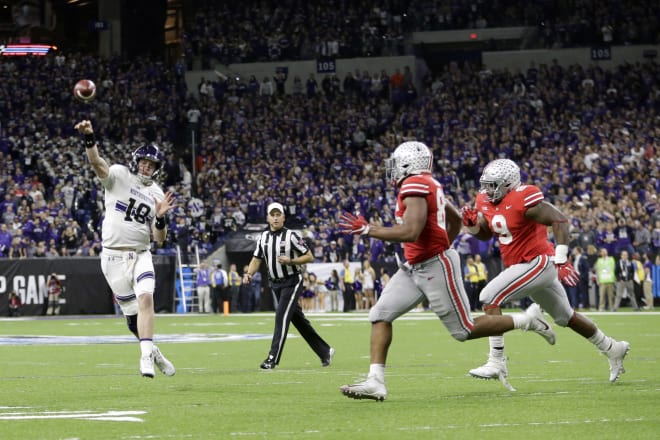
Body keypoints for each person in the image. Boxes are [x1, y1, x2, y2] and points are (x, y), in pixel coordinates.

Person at [337, 142, 555, 401]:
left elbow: (411, 231)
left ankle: (527, 320)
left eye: (397, 163)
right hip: (414, 265)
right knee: (380, 315)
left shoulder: (414, 185)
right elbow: (454, 219)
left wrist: (368, 230)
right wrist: (440, 242)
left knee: (463, 330)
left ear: (408, 164)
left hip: (434, 265)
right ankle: (375, 381)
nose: (393, 169)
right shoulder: (429, 183)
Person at [461, 158, 630, 386]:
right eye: (486, 184)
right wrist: (473, 226)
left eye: (494, 185)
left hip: (537, 261)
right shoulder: (484, 199)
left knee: (489, 297)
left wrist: (561, 257)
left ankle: (497, 360)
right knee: (565, 317)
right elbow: (487, 234)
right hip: (521, 265)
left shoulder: (523, 198)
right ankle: (612, 347)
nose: (487, 190)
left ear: (509, 184)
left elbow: (559, 219)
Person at [74, 119, 175, 379]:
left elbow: (160, 238)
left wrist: (161, 218)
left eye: (151, 164)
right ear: (136, 160)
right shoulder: (119, 175)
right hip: (112, 257)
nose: (146, 166)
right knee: (132, 318)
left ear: (156, 169)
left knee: (146, 299)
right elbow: (97, 163)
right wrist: (89, 136)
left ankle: (145, 358)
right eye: (143, 161)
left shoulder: (156, 192)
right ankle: (154, 351)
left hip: (141, 254)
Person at [242, 202, 334, 369]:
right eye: (273, 215)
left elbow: (309, 256)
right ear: (268, 218)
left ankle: (272, 358)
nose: (276, 218)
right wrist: (249, 274)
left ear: (284, 217)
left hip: (292, 280)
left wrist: (291, 261)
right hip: (275, 283)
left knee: (281, 317)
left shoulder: (291, 236)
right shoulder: (263, 237)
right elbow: (256, 259)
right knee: (299, 321)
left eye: (279, 215)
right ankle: (325, 351)